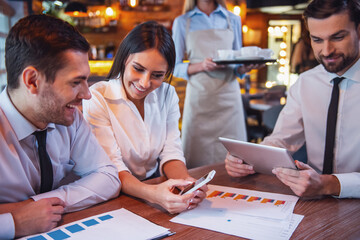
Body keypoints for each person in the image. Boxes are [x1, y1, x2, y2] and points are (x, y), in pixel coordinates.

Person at [0, 15, 121, 239]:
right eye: (76, 82)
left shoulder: (68, 117)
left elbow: (108, 177)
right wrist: (14, 223)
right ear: (32, 81)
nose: (87, 94)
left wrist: (31, 206)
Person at [225, 0, 360, 199]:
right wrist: (248, 158)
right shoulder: (305, 83)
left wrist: (330, 184)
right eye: (317, 40)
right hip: (314, 202)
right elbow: (282, 139)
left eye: (338, 37)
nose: (327, 51)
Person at [82, 21, 207, 214]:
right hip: (110, 195)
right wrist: (154, 194)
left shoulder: (167, 94)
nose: (145, 82)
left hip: (152, 187)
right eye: (138, 69)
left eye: (157, 75)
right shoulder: (97, 97)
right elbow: (112, 167)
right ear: (124, 58)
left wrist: (185, 184)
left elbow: (171, 151)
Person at [172, 0, 258, 168]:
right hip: (199, 97)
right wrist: (201, 65)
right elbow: (173, 66)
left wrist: (245, 68)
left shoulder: (233, 19)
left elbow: (237, 65)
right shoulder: (182, 22)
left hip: (229, 97)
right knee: (195, 154)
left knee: (234, 155)